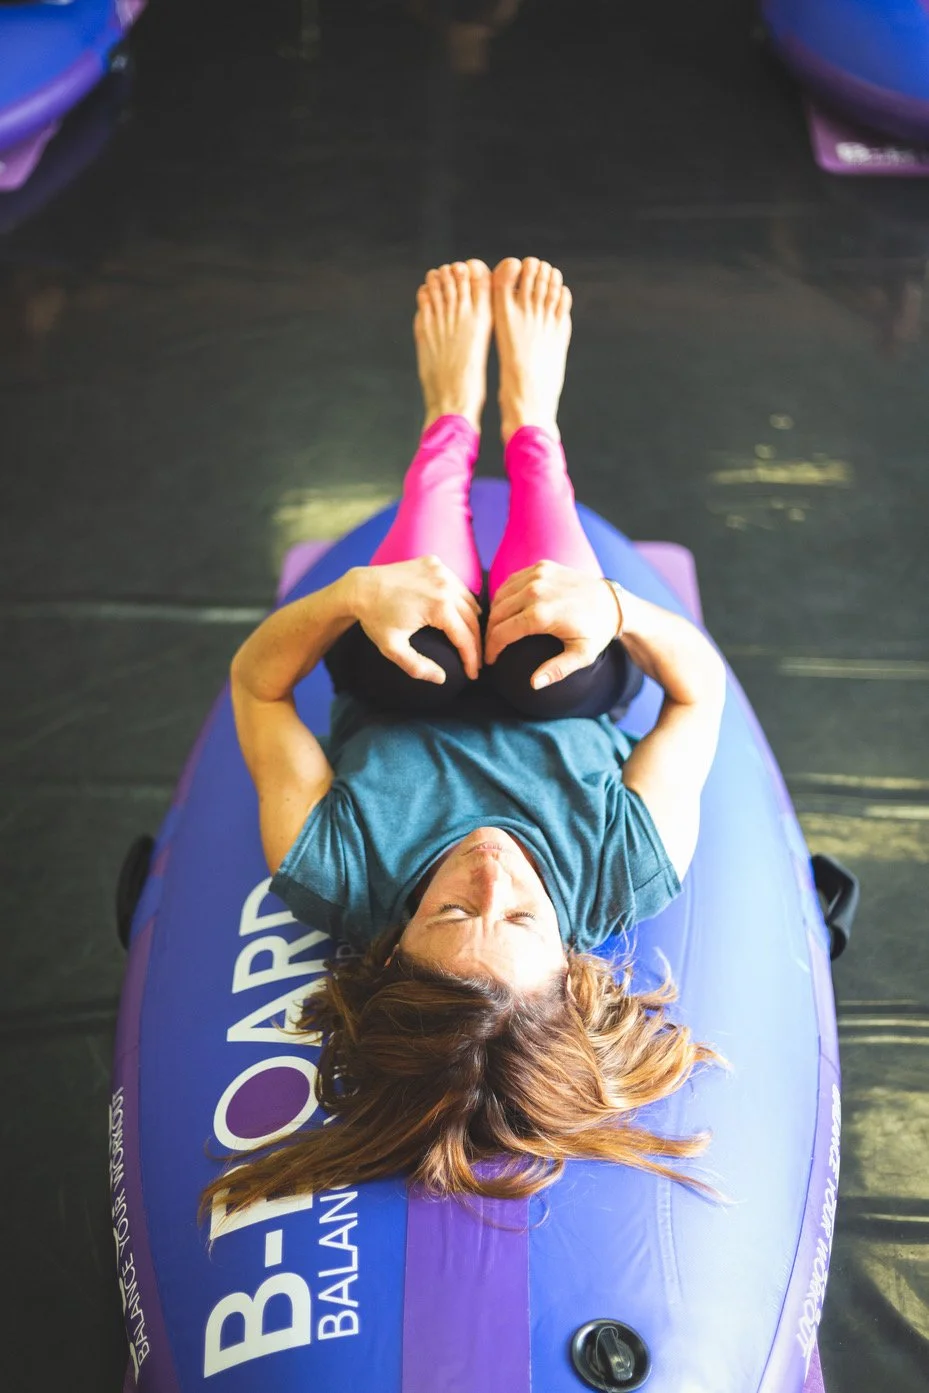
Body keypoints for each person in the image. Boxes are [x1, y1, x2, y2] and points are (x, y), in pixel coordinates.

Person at [202, 257, 727, 1218]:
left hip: (407, 666)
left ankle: (447, 422)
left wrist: (352, 595)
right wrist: (612, 606)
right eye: (521, 918)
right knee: (545, 670)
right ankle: (533, 425)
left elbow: (257, 688)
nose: (489, 874)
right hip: (560, 675)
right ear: (570, 959)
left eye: (450, 914)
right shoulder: (623, 865)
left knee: (429, 653)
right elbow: (696, 697)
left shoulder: (335, 871)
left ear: (394, 948)